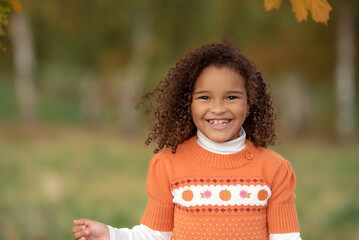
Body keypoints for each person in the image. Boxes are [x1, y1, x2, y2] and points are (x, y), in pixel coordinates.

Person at [72, 42, 301, 240]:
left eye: (232, 97)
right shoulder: (168, 164)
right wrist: (110, 235)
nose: (218, 108)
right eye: (204, 97)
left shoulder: (274, 168)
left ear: (250, 103)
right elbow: (154, 235)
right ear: (187, 104)